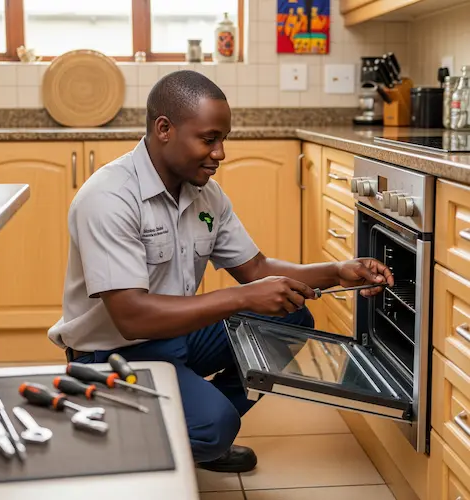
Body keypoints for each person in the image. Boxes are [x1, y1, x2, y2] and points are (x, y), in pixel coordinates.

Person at [48, 70, 394, 474]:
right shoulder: (109, 197)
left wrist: (338, 271)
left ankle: (191, 428)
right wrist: (243, 297)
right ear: (164, 129)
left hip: (174, 336)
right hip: (111, 353)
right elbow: (131, 316)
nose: (220, 153)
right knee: (215, 424)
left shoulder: (205, 194)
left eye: (223, 140)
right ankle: (178, 432)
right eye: (209, 139)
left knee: (291, 317)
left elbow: (257, 269)